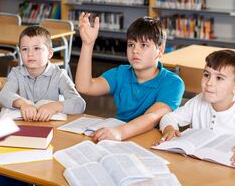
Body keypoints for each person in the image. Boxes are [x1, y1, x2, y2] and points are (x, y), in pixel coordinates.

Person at [155, 50, 235, 169]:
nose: (209, 83)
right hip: (196, 169)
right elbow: (169, 117)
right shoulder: (198, 101)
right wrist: (169, 128)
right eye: (207, 75)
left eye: (219, 78)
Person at [75, 13, 184, 142]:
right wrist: (87, 45)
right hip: (118, 137)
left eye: (143, 45)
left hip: (152, 139)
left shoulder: (173, 83)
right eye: (131, 44)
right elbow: (85, 86)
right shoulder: (121, 73)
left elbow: (152, 117)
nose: (135, 51)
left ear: (160, 50)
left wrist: (120, 133)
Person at [0, 25, 86, 121]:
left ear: (50, 53)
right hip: (25, 126)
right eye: (24, 49)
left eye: (36, 48)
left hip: (52, 127)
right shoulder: (16, 73)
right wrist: (23, 103)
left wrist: (55, 106)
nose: (30, 53)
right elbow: (4, 95)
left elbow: (80, 104)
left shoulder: (59, 75)